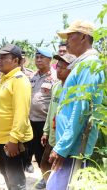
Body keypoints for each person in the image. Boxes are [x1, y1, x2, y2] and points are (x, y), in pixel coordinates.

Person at [47, 20, 105, 190]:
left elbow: (81, 110)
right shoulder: (82, 64)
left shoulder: (89, 65)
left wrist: (62, 147)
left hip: (74, 148)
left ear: (84, 38)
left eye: (70, 36)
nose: (67, 41)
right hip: (69, 147)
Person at [0, 44, 33, 190]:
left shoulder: (19, 80)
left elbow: (21, 114)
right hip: (1, 138)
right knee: (7, 175)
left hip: (11, 140)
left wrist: (14, 140)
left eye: (4, 57)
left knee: (16, 181)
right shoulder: (4, 78)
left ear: (15, 60)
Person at [40, 54, 76, 182]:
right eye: (58, 66)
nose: (59, 70)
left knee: (60, 169)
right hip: (53, 136)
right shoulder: (56, 86)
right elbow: (51, 110)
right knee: (44, 164)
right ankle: (48, 183)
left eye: (63, 67)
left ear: (72, 69)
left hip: (63, 138)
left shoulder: (74, 90)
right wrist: (46, 130)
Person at [28, 47, 57, 189]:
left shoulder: (56, 76)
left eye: (42, 58)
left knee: (48, 154)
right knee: (38, 154)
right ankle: (45, 177)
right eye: (37, 57)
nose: (38, 60)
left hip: (46, 123)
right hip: (32, 121)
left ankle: (51, 179)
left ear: (49, 60)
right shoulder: (32, 76)